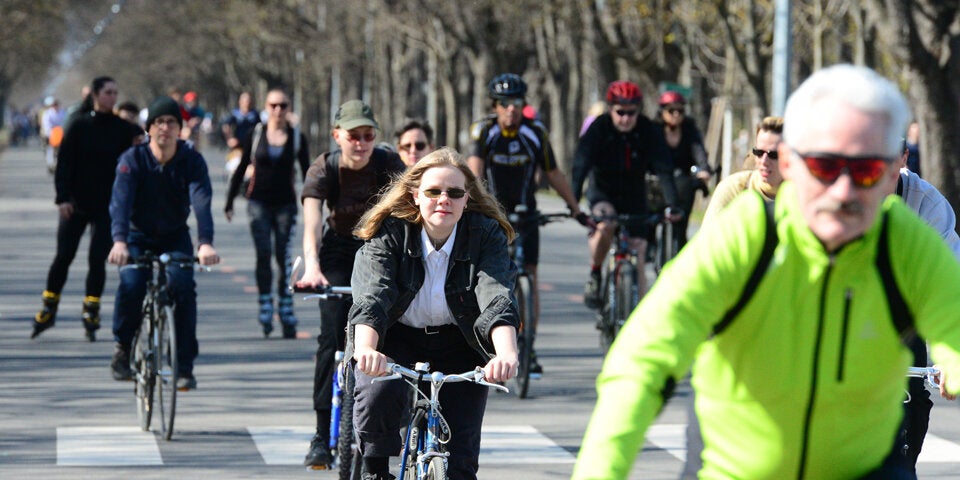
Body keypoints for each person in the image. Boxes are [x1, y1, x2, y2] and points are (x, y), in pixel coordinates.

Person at [572, 64, 960, 480]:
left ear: (892, 170)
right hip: (740, 468)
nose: (845, 191)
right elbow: (643, 362)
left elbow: (952, 315)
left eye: (865, 172)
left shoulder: (906, 242)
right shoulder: (745, 239)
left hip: (860, 467)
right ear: (791, 163)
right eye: (827, 168)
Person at [349, 147, 518, 480]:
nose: (444, 199)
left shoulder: (484, 235)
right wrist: (367, 349)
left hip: (460, 343)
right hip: (395, 339)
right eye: (433, 191)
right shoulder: (391, 232)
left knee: (461, 462)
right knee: (377, 396)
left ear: (467, 199)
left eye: (454, 193)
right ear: (415, 195)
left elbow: (496, 295)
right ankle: (374, 473)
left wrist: (507, 353)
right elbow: (373, 295)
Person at [295, 100, 406, 468]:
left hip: (382, 248)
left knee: (388, 335)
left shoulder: (389, 163)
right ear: (337, 135)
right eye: (353, 136)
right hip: (338, 251)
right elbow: (311, 219)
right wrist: (312, 267)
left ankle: (383, 430)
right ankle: (320, 433)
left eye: (367, 135)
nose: (360, 143)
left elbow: (411, 208)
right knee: (331, 338)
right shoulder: (325, 167)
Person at [468, 72, 588, 375]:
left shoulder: (535, 133)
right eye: (505, 103)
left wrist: (575, 208)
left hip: (526, 213)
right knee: (486, 277)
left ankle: (529, 346)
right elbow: (473, 171)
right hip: (493, 214)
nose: (511, 109)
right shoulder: (483, 131)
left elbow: (554, 173)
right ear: (495, 106)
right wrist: (474, 203)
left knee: (530, 274)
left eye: (517, 103)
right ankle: (483, 342)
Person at [107, 96, 220, 391]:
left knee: (183, 286)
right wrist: (119, 241)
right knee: (132, 283)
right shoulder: (132, 160)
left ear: (180, 128)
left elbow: (202, 203)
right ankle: (123, 346)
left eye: (171, 122)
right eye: (159, 122)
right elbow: (119, 204)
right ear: (149, 128)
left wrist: (205, 243)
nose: (165, 128)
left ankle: (183, 366)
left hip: (173, 235)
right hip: (135, 236)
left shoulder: (191, 160)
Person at [31, 77, 143, 342]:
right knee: (64, 257)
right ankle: (49, 307)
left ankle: (91, 310)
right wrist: (63, 198)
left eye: (115, 93)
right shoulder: (79, 125)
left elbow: (140, 159)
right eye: (107, 92)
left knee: (97, 260)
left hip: (108, 206)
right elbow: (65, 163)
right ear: (94, 94)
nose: (112, 97)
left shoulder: (124, 129)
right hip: (77, 204)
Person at [572, 80, 681, 311]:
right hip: (603, 191)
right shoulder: (599, 128)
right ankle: (596, 272)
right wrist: (574, 202)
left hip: (634, 194)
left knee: (639, 250)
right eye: (620, 112)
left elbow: (664, 169)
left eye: (631, 113)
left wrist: (673, 205)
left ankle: (636, 318)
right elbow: (581, 164)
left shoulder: (647, 130)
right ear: (610, 109)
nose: (625, 118)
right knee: (606, 224)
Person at [886, 138, 960, 471]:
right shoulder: (835, 198)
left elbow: (950, 285)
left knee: (914, 402)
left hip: (907, 310)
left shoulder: (927, 203)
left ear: (904, 158)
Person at [225, 88, 310, 338]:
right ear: (265, 107)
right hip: (258, 203)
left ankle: (285, 308)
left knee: (282, 256)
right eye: (273, 105)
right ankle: (265, 304)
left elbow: (307, 172)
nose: (278, 111)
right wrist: (229, 201)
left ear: (288, 108)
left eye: (283, 105)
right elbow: (242, 166)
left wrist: (313, 204)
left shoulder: (296, 137)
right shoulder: (257, 132)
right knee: (263, 254)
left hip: (285, 203)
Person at [654, 91, 712, 248]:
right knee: (649, 219)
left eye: (680, 111)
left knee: (681, 225)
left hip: (683, 180)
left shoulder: (689, 129)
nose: (676, 115)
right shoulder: (654, 130)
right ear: (662, 112)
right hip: (658, 179)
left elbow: (698, 150)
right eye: (671, 110)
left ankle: (679, 247)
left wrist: (704, 169)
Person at [702, 116, 784, 225]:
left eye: (773, 155)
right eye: (759, 153)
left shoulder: (804, 193)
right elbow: (709, 235)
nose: (764, 161)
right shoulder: (734, 187)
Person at [40, 96, 66, 174]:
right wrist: (51, 133)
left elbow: (65, 122)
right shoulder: (48, 113)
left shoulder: (63, 112)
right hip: (50, 134)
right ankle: (50, 165)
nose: (55, 107)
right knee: (50, 149)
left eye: (56, 105)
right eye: (54, 105)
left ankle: (59, 164)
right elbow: (46, 124)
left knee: (60, 151)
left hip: (61, 134)